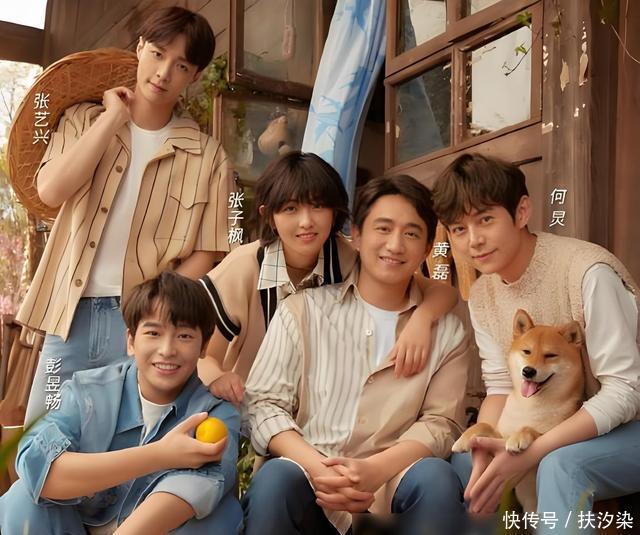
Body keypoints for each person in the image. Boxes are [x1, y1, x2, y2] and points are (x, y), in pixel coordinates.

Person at [20, 6, 235, 424]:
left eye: (181, 65)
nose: (163, 72)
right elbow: (51, 190)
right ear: (139, 48)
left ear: (194, 75)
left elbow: (207, 253)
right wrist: (112, 120)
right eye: (157, 54)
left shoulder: (209, 157)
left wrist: (151, 312)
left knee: (124, 441)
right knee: (41, 439)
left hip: (143, 329)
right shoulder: (81, 120)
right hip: (68, 316)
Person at [242, 175, 470, 535]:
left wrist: (377, 470)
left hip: (392, 488)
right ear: (357, 235)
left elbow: (441, 422)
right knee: (275, 481)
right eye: (383, 228)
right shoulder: (303, 311)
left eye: (411, 233)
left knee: (437, 478)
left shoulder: (447, 333)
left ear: (427, 247)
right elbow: (263, 404)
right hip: (310, 480)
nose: (395, 245)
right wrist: (319, 467)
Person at [432, 153, 640, 533]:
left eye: (485, 220)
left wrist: (536, 450)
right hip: (558, 426)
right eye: (459, 229)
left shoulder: (587, 272)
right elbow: (499, 386)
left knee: (560, 464)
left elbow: (625, 390)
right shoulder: (482, 295)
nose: (473, 240)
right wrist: (485, 447)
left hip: (630, 429)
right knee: (464, 465)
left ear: (522, 211)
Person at [198, 151, 458, 405]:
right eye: (290, 208)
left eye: (318, 206)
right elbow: (204, 356)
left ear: (335, 211)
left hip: (323, 410)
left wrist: (422, 319)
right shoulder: (244, 268)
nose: (306, 221)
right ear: (270, 217)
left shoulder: (348, 257)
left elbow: (441, 291)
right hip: (253, 405)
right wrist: (219, 378)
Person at [0, 271, 241, 534]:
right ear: (130, 341)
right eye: (153, 333)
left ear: (204, 346)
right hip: (75, 526)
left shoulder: (215, 413)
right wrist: (159, 455)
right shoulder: (88, 392)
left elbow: (195, 489)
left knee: (223, 516)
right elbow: (39, 468)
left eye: (184, 336)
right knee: (22, 499)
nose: (167, 350)